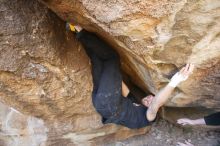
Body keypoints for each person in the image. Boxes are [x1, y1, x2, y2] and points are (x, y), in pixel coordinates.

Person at [67, 23, 194, 129]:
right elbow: (125, 90)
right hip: (102, 103)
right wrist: (113, 74)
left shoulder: (147, 118)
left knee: (112, 57)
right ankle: (75, 32)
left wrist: (176, 80)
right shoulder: (135, 104)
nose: (149, 98)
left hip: (109, 103)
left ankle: (80, 31)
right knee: (98, 62)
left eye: (150, 101)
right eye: (150, 97)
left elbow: (156, 103)